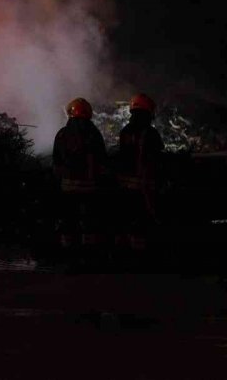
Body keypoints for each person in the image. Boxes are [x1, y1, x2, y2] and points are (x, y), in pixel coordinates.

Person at [52, 97, 108, 267]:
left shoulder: (62, 134)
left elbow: (56, 163)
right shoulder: (94, 133)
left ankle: (68, 258)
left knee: (68, 222)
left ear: (70, 113)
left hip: (67, 188)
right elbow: (102, 160)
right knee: (89, 222)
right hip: (90, 188)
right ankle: (88, 258)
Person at [117, 93, 165, 262]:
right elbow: (157, 159)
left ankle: (124, 255)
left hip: (124, 186)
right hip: (144, 186)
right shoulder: (150, 133)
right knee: (143, 223)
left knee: (127, 220)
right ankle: (141, 258)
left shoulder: (125, 132)